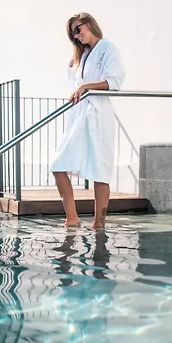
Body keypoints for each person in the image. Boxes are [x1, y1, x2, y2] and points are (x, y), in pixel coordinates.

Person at [50, 12, 125, 229]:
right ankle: (72, 218)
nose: (76, 35)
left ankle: (99, 224)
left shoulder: (108, 48)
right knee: (58, 165)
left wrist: (86, 86)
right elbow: (76, 82)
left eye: (77, 29)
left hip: (99, 116)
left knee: (100, 171)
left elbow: (114, 82)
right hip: (79, 118)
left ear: (89, 24)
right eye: (72, 34)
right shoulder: (82, 56)